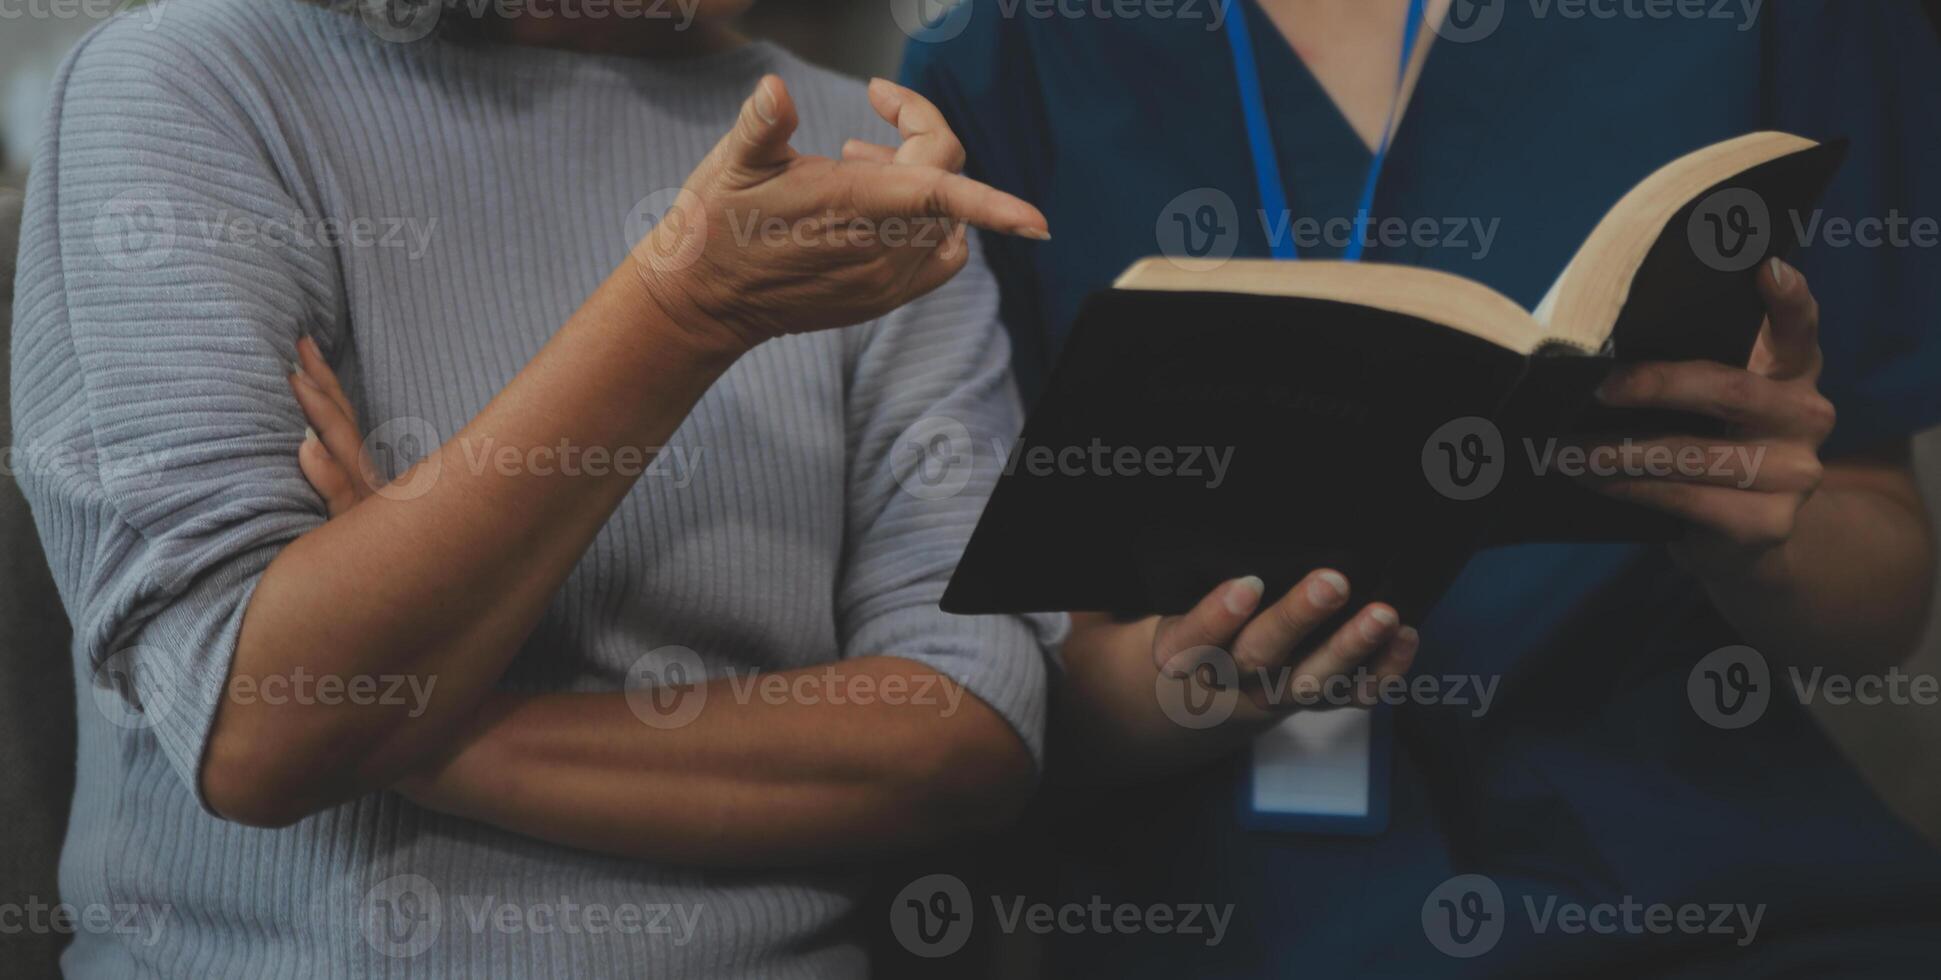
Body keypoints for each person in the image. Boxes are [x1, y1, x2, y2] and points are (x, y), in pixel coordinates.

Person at [13, 0, 1418, 975]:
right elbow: (267, 724)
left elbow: (966, 732)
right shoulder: (192, 81)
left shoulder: (852, 142)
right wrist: (682, 313)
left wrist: (418, 718)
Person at [901, 0, 1941, 975]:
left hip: (1714, 890)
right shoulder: (1005, 55)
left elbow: (1880, 590)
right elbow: (987, 697)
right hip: (1236, 918)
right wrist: (1184, 682)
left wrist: (1764, 534)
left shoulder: (1786, 24)